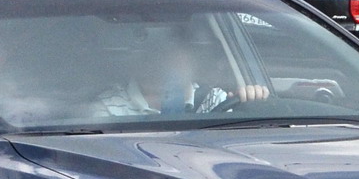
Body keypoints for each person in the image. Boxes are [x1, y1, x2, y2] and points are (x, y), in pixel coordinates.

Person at [97, 47, 269, 117]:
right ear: (139, 63)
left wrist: (252, 101)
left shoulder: (214, 99)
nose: (166, 66)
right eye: (157, 55)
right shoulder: (107, 108)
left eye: (175, 58)